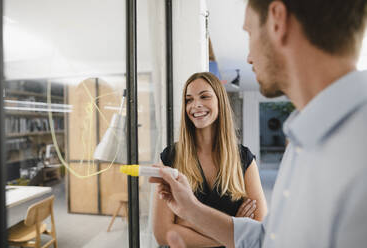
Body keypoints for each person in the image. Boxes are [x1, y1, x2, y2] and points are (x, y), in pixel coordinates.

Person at [150, 0, 367, 247]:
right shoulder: (301, 142)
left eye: (249, 32)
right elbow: (268, 239)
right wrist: (191, 210)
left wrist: (190, 221)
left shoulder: (356, 148)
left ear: (277, 20)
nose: (249, 57)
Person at [152, 72, 268, 247]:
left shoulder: (243, 158)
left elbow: (259, 230)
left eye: (204, 96)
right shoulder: (170, 157)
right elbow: (164, 234)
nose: (196, 105)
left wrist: (187, 224)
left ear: (220, 102)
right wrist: (232, 230)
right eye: (189, 100)